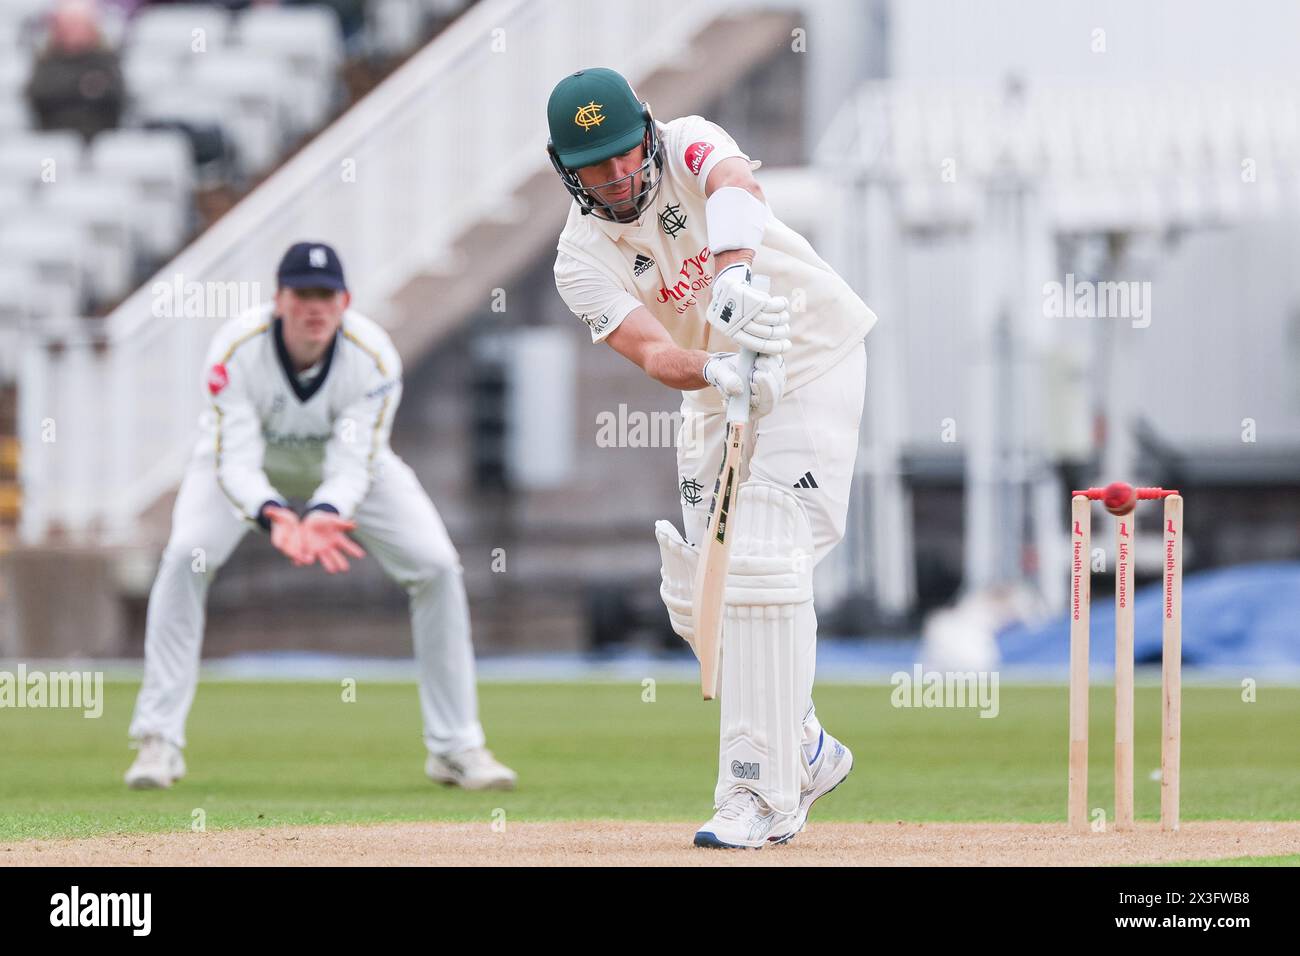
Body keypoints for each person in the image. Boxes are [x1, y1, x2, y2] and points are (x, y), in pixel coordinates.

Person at [548, 68, 878, 848]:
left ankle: (758, 794)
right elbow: (654, 351)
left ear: (648, 132)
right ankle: (805, 747)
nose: (621, 175)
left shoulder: (690, 141)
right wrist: (718, 370)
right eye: (597, 166)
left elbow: (733, 182)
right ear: (569, 171)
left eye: (627, 153)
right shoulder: (578, 260)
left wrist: (731, 274)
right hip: (715, 388)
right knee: (705, 596)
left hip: (810, 353)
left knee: (765, 553)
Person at [125, 241, 516, 791]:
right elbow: (233, 461)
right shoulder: (234, 350)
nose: (315, 308)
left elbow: (353, 460)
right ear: (279, 300)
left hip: (350, 469)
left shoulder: (374, 358)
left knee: (436, 565)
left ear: (345, 301)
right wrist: (276, 516)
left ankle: (456, 748)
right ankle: (157, 741)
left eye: (326, 296)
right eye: (302, 294)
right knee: (185, 557)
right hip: (250, 467)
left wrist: (326, 510)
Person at [26, 0, 125, 141]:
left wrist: (66, 88)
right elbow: (39, 94)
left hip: (100, 137)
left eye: (79, 24)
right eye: (69, 24)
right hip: (54, 136)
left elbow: (114, 95)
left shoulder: (106, 59)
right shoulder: (46, 60)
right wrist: (86, 86)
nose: (73, 30)